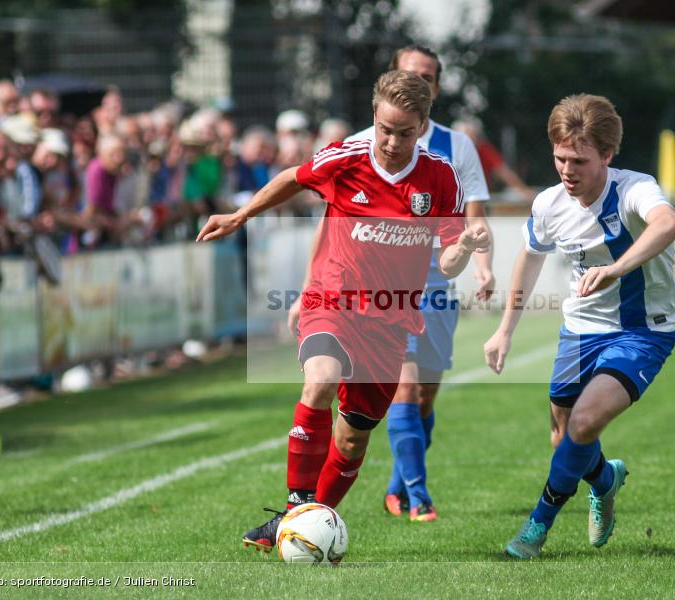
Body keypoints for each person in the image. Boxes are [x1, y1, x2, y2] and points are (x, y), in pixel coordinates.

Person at [196, 70, 489, 554]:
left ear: (423, 126)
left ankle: (308, 523)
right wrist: (240, 215)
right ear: (374, 118)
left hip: (391, 321)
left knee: (352, 440)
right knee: (321, 381)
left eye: (405, 132)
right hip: (332, 301)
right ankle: (295, 512)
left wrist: (468, 246)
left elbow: (448, 257)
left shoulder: (440, 177)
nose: (393, 141)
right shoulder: (346, 157)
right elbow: (293, 178)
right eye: (385, 129)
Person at [483, 94, 675, 559]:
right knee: (565, 434)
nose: (567, 170)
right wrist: (505, 329)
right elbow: (530, 259)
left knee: (586, 420)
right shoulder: (550, 203)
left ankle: (536, 527)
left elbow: (668, 224)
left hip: (642, 331)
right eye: (559, 158)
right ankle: (605, 478)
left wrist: (616, 269)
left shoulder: (635, 189)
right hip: (578, 332)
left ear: (607, 156)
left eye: (579, 160)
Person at [327, 44, 496, 522]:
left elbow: (473, 217)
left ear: (435, 90)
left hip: (439, 281)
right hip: (381, 291)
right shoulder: (366, 141)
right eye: (408, 73)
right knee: (401, 387)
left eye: (426, 76)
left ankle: (398, 486)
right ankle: (419, 496)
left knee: (424, 394)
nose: (417, 80)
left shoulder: (456, 147)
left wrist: (482, 264)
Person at [453, 116, 534, 203]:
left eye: (472, 136)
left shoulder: (483, 148)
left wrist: (524, 191)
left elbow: (503, 172)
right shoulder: (449, 152)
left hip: (476, 197)